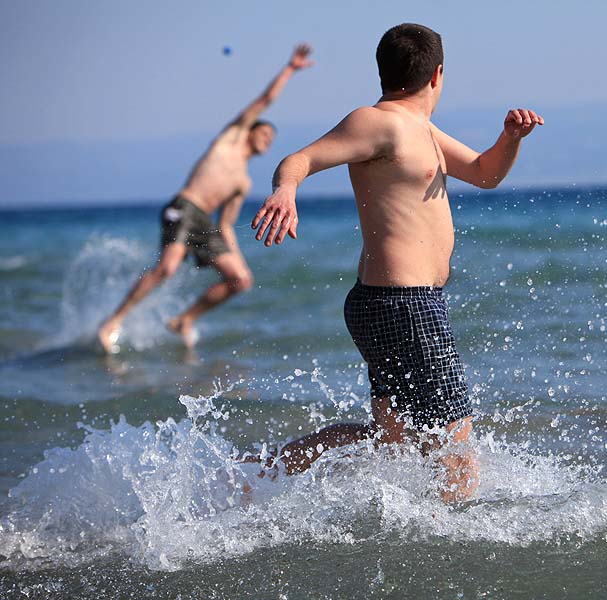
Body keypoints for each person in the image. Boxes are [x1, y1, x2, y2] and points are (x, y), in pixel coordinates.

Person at [249, 23, 543, 501]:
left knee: (392, 442)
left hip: (391, 303)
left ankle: (264, 472)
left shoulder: (421, 130)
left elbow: (486, 173)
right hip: (405, 304)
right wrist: (286, 189)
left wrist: (510, 138)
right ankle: (448, 547)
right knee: (456, 451)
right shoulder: (377, 122)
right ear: (438, 75)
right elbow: (299, 159)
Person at [97, 44, 314, 353]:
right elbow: (266, 100)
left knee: (240, 280)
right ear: (250, 131)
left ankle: (184, 320)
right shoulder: (230, 139)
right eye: (264, 133)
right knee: (167, 269)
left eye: (272, 139)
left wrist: (238, 259)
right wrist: (291, 69)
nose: (268, 139)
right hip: (184, 207)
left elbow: (225, 225)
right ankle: (113, 321)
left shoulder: (243, 181)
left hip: (204, 222)